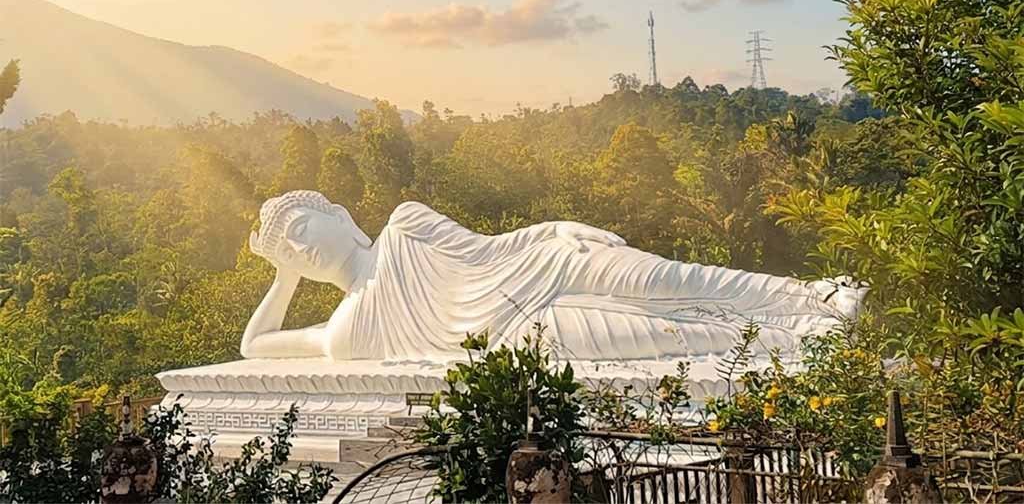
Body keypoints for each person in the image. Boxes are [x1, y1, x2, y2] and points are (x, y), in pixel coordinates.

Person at [241, 190, 863, 362]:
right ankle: (813, 335)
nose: (300, 250)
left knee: (666, 281)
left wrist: (557, 227)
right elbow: (253, 348)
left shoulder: (404, 225)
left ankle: (815, 295)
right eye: (287, 253)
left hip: (535, 266)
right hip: (525, 333)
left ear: (342, 217)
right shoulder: (341, 330)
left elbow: (487, 248)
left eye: (300, 231)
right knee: (670, 336)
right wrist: (284, 276)